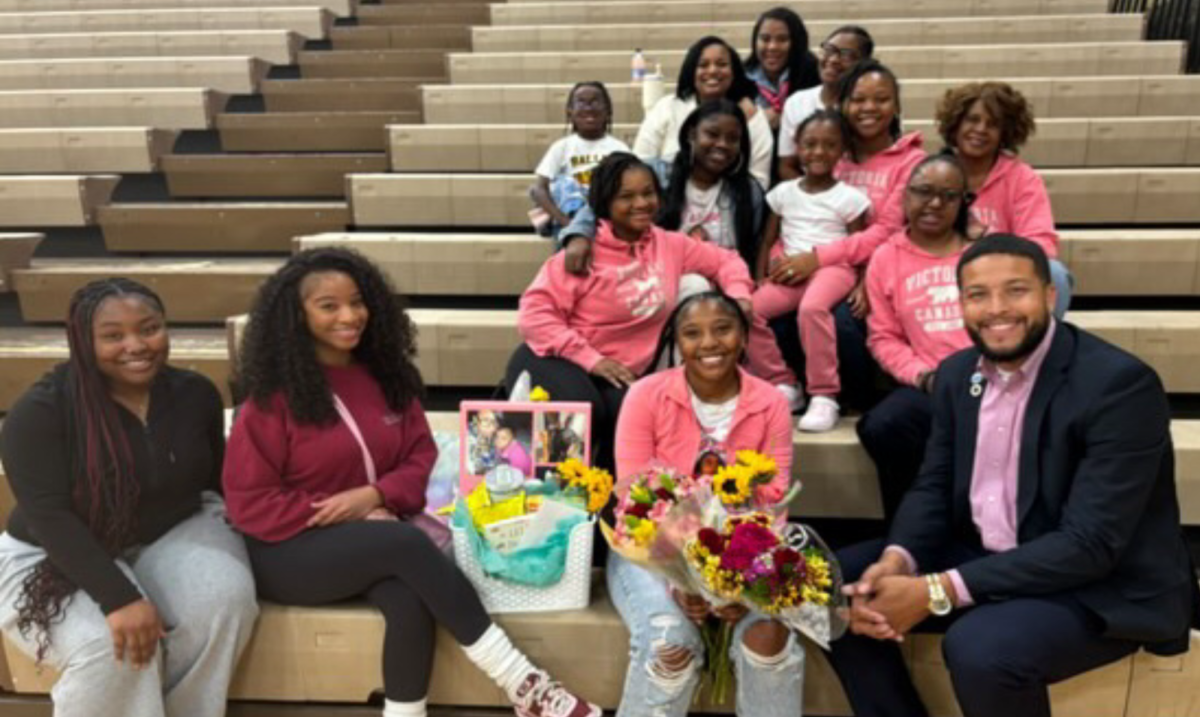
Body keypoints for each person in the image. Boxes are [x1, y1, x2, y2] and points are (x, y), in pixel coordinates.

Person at [827, 234, 1200, 717]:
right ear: (961, 304)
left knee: (983, 649)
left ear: (1049, 296)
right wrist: (901, 560)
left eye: (1016, 290)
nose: (996, 308)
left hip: (1100, 581)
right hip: (989, 551)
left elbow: (1090, 543)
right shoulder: (960, 375)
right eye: (978, 294)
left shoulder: (1118, 385)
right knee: (829, 585)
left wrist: (936, 591)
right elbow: (934, 486)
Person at [223, 247, 600, 717]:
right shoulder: (271, 399)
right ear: (295, 316)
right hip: (288, 552)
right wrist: (347, 515)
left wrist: (375, 496)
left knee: (408, 594)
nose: (350, 316)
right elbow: (249, 502)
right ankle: (522, 681)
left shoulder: (386, 377)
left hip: (376, 537)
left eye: (357, 301)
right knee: (402, 545)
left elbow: (419, 454)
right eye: (328, 305)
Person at [0, 278, 258, 717]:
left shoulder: (195, 394)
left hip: (172, 529)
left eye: (150, 328)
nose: (136, 345)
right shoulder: (41, 412)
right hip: (53, 550)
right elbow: (49, 517)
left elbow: (213, 477)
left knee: (222, 598)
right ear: (83, 342)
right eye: (113, 335)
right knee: (112, 647)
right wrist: (119, 597)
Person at [609, 290, 802, 717]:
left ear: (744, 336)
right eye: (693, 334)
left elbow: (772, 502)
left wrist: (734, 587)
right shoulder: (645, 395)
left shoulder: (770, 403)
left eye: (723, 329)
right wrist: (682, 581)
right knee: (670, 645)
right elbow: (633, 498)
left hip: (747, 553)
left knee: (769, 639)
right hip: (649, 552)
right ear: (678, 344)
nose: (709, 343)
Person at [508, 152, 761, 472]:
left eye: (648, 193)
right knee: (585, 414)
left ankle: (615, 511)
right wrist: (592, 359)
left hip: (619, 372)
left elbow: (727, 261)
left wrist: (740, 298)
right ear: (604, 202)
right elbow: (533, 316)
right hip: (558, 358)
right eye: (626, 196)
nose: (641, 203)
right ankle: (554, 502)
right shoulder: (581, 254)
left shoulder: (670, 245)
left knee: (632, 414)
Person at [857, 152, 975, 519]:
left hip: (988, 378)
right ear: (905, 196)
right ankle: (910, 530)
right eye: (924, 191)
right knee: (883, 424)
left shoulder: (982, 253)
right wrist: (923, 377)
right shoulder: (886, 258)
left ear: (963, 202)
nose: (935, 203)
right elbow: (883, 337)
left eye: (949, 195)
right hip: (932, 382)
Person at [748, 109, 872, 432]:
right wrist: (760, 277)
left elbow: (859, 247)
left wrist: (862, 283)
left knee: (813, 308)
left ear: (842, 150)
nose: (818, 152)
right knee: (748, 310)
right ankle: (783, 383)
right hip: (791, 269)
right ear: (797, 147)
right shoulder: (783, 193)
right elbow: (767, 239)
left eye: (829, 145)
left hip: (834, 269)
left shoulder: (850, 197)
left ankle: (824, 394)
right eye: (810, 144)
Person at [560, 99, 767, 275]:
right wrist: (579, 235)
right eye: (712, 134)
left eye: (732, 139)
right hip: (656, 279)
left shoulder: (749, 191)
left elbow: (751, 251)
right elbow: (597, 202)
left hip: (723, 286)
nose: (722, 144)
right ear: (691, 134)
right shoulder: (656, 172)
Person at [936, 81, 1072, 317]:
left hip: (1004, 273)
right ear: (956, 124)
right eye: (972, 119)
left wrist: (991, 247)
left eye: (993, 124)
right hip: (938, 270)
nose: (980, 129)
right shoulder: (934, 173)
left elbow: (1042, 243)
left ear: (1005, 133)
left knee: (1055, 275)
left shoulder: (1022, 178)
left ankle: (1036, 351)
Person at [634, 36, 774, 188]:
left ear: (734, 72)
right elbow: (641, 161)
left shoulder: (751, 116)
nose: (713, 70)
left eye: (722, 64)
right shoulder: (668, 107)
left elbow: (759, 182)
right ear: (691, 71)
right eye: (703, 65)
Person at [528, 81, 629, 237]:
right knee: (563, 186)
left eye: (595, 101)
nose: (588, 107)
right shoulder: (561, 147)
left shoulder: (619, 148)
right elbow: (539, 188)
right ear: (570, 113)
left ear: (608, 111)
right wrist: (566, 222)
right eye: (581, 102)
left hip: (603, 214)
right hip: (568, 218)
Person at [778, 25, 874, 180]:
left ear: (864, 64)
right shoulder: (796, 102)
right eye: (829, 50)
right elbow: (786, 165)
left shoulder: (869, 108)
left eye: (846, 55)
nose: (834, 59)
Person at [743, 7, 820, 132]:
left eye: (782, 39)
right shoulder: (740, 78)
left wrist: (784, 117)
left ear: (796, 42)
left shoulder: (814, 75)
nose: (772, 47)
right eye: (765, 39)